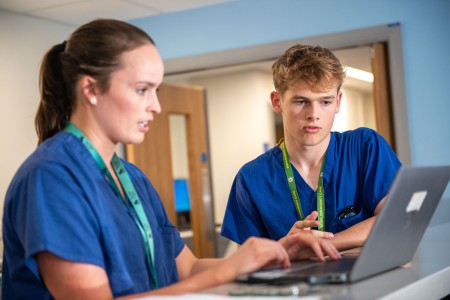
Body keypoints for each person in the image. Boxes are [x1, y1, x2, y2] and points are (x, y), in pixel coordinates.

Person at [1, 20, 341, 299]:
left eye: (157, 90)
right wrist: (227, 270)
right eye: (141, 90)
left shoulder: (132, 179)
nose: (155, 106)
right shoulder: (52, 178)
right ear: (91, 90)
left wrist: (274, 253)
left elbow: (188, 269)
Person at [221, 44, 402, 251]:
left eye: (325, 102)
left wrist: (318, 245)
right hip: (293, 283)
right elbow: (247, 260)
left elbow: (395, 218)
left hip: (367, 280)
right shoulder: (251, 178)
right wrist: (286, 247)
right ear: (277, 101)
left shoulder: (364, 147)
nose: (313, 114)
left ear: (337, 102)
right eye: (301, 101)